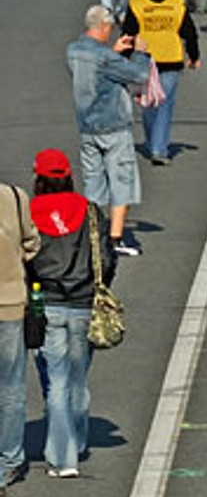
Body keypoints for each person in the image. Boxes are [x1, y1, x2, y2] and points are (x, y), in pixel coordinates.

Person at [24, 151, 113, 480]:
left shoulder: (31, 213)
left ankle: (63, 456)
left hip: (45, 302)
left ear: (39, 177)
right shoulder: (88, 210)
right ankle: (76, 440)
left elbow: (25, 260)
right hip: (83, 302)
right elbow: (106, 256)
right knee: (78, 375)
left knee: (56, 381)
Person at [66, 6, 152, 258]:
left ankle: (94, 235)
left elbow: (95, 70)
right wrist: (140, 53)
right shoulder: (104, 57)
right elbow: (140, 74)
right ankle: (115, 239)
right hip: (113, 124)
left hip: (87, 125)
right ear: (103, 26)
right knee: (121, 181)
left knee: (93, 183)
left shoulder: (73, 51)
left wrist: (113, 51)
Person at [121, 0, 198, 168]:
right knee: (164, 103)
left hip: (144, 59)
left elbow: (128, 33)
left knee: (148, 102)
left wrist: (123, 59)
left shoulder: (137, 4)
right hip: (170, 58)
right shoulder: (176, 4)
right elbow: (189, 32)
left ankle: (153, 141)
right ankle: (158, 148)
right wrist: (194, 55)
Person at [0, 163, 39, 494]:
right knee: (11, 387)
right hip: (10, 302)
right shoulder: (14, 197)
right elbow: (32, 243)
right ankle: (8, 461)